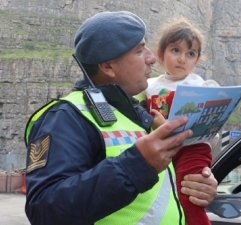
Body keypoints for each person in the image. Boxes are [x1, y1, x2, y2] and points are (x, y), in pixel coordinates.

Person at [24, 11, 218, 225]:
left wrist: (198, 185)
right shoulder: (66, 117)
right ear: (107, 67)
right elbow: (43, 209)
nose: (152, 58)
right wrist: (136, 166)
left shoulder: (143, 112)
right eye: (139, 51)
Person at [137, 17, 219, 225]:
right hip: (162, 149)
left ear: (197, 60)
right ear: (161, 53)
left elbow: (214, 130)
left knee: (189, 195)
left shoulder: (201, 86)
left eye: (190, 54)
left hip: (194, 147)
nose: (182, 59)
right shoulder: (148, 86)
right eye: (175, 50)